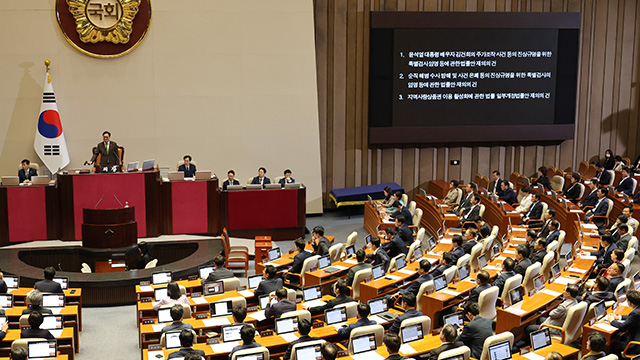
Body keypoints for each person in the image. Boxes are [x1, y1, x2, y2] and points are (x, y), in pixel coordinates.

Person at [610, 290, 640, 356]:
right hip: (636, 337)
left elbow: (622, 327)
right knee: (621, 337)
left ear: (630, 302)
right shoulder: (637, 311)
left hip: (635, 345)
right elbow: (632, 318)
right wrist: (620, 317)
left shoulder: (636, 313)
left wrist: (612, 320)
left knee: (614, 345)